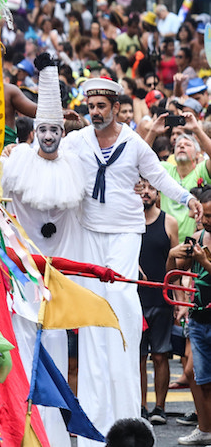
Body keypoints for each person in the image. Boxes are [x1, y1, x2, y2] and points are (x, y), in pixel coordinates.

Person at [62, 78, 202, 447]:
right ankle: (93, 411)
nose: (94, 113)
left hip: (125, 232)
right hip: (89, 231)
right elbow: (50, 156)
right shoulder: (77, 141)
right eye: (90, 107)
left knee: (123, 309)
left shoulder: (133, 142)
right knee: (93, 317)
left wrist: (187, 198)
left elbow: (157, 176)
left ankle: (128, 405)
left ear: (114, 106)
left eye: (100, 107)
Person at [1, 53, 86, 447]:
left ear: (61, 132)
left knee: (52, 348)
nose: (49, 135)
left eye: (55, 128)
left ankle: (51, 431)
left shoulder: (73, 165)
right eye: (43, 129)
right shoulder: (15, 161)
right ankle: (20, 427)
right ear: (34, 131)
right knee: (20, 349)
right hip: (20, 272)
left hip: (55, 274)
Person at [170, 188, 211, 445]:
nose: (205, 220)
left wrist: (205, 262)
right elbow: (174, 275)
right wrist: (173, 256)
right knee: (197, 374)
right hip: (197, 318)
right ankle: (204, 429)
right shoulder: (198, 237)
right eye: (204, 215)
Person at [136, 178, 179, 425]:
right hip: (134, 299)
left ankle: (159, 408)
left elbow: (178, 265)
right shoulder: (128, 220)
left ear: (158, 193)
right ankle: (140, 405)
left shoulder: (169, 222)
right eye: (143, 187)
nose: (147, 192)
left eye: (152, 188)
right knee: (139, 357)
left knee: (161, 355)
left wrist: (179, 299)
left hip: (162, 300)